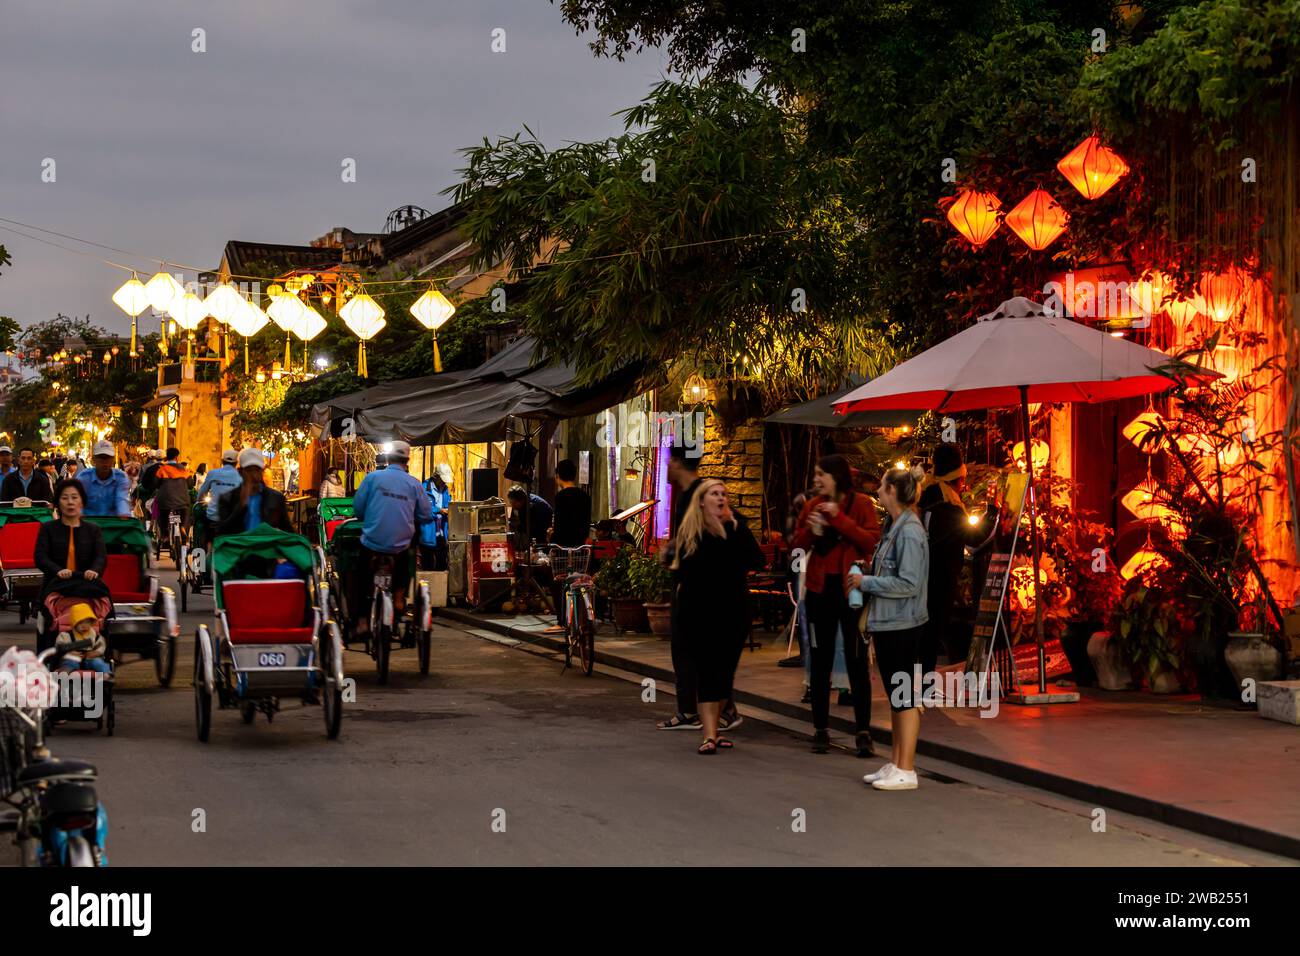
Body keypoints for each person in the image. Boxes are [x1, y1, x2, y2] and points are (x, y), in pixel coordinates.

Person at [791, 454, 881, 757]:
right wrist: (812, 532)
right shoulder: (812, 505)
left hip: (851, 590)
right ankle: (820, 729)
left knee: (857, 660)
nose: (817, 480)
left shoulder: (862, 505)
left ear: (836, 477)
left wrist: (838, 519)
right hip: (819, 589)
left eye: (821, 475)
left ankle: (863, 732)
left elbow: (871, 542)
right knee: (820, 659)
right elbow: (796, 547)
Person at [850, 466, 930, 791]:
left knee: (905, 695)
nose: (878, 490)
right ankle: (897, 762)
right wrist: (868, 572)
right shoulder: (895, 527)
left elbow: (909, 582)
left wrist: (865, 581)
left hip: (904, 624)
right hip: (892, 623)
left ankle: (907, 768)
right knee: (898, 695)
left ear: (894, 492)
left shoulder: (909, 531)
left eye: (882, 486)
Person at [671, 479, 765, 754]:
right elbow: (682, 574)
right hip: (700, 612)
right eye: (714, 493)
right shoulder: (692, 533)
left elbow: (758, 561)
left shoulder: (737, 529)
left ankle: (714, 728)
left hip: (733, 611)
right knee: (708, 673)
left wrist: (735, 525)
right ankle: (709, 735)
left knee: (725, 674)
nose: (721, 497)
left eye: (724, 493)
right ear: (702, 501)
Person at [917, 444, 995, 676]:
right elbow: (974, 541)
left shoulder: (926, 497)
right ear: (957, 478)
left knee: (925, 631)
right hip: (940, 578)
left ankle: (920, 680)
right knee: (932, 631)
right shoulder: (949, 507)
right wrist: (992, 515)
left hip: (922, 575)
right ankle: (925, 684)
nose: (964, 486)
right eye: (962, 481)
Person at [350, 440, 431, 635]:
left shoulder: (372, 478)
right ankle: (399, 595)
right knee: (407, 555)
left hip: (372, 543)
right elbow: (426, 515)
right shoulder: (414, 484)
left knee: (360, 576)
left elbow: (358, 509)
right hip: (400, 547)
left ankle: (361, 620)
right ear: (407, 461)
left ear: (387, 459)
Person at [657, 445, 706, 731]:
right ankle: (705, 709)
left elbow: (698, 539)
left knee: (687, 647)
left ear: (677, 462)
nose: (668, 467)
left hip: (691, 583)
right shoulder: (688, 495)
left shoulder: (698, 495)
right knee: (690, 648)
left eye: (670, 461)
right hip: (686, 579)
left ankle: (692, 711)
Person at [34, 479, 112, 651]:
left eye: (74, 497)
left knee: (105, 612)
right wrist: (58, 570)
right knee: (47, 623)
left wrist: (94, 571)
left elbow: (101, 557)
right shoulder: (48, 528)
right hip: (56, 586)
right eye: (65, 498)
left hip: (87, 585)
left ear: (82, 501)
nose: (70, 502)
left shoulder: (93, 529)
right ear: (57, 503)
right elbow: (40, 557)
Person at [214, 448, 292, 537]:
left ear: (262, 472)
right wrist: (240, 506)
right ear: (241, 472)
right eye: (249, 470)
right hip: (239, 548)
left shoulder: (276, 498)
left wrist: (278, 532)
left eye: (257, 470)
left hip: (267, 548)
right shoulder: (227, 498)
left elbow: (288, 530)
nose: (254, 475)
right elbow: (221, 532)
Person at [195, 449, 242, 545]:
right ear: (236, 463)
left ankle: (207, 552)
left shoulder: (212, 473)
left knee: (204, 532)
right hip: (233, 520)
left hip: (214, 518)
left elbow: (201, 493)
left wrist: (199, 500)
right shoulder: (241, 477)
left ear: (222, 461)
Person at [76, 440, 132, 517]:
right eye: (101, 458)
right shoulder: (84, 478)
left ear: (112, 459)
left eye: (108, 458)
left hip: (113, 524)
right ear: (94, 459)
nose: (105, 462)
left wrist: (124, 514)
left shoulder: (121, 477)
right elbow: (78, 502)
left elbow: (121, 499)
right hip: (88, 524)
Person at [54, 602, 111, 675]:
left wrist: (96, 652)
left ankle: (107, 675)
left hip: (91, 658)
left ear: (91, 622)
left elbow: (101, 646)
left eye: (87, 622)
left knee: (98, 663)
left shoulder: (95, 636)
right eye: (80, 623)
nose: (84, 626)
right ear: (74, 623)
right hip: (73, 657)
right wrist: (68, 652)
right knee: (69, 663)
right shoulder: (66, 636)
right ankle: (64, 674)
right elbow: (59, 646)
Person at [153, 447, 193, 541]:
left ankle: (165, 534)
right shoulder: (183, 470)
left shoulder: (162, 469)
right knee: (186, 511)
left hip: (165, 500)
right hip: (182, 500)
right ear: (176, 457)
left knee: (162, 514)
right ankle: (183, 527)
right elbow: (191, 484)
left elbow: (155, 483)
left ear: (167, 457)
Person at [418, 464, 452, 571]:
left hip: (442, 534)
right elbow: (422, 509)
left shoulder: (445, 490)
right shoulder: (423, 489)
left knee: (442, 564)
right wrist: (439, 510)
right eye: (442, 479)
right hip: (428, 534)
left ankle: (440, 587)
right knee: (427, 566)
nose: (444, 482)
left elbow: (448, 505)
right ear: (436, 477)